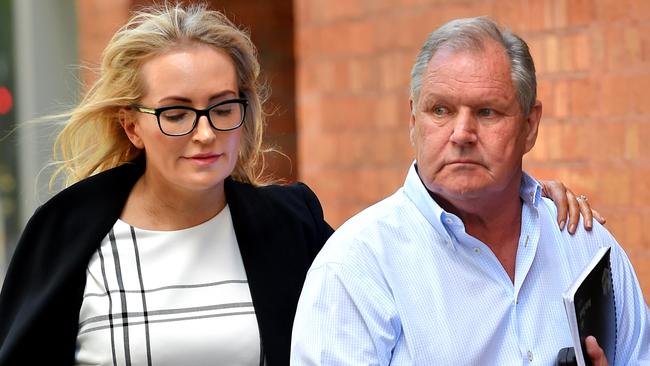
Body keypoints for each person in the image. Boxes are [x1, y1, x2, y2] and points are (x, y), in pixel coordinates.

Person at [0, 4, 597, 365]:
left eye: (222, 107)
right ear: (132, 123)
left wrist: (524, 199)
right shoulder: (68, 236)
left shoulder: (292, 226)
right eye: (176, 112)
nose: (204, 133)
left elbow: (416, 251)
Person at [291, 16, 649, 366]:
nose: (462, 133)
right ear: (414, 121)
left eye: (487, 112)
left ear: (530, 125)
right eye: (441, 110)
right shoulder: (356, 269)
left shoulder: (582, 245)